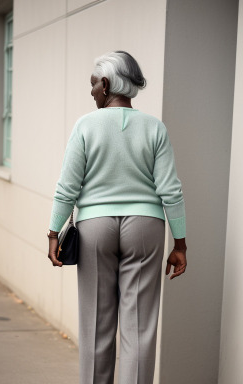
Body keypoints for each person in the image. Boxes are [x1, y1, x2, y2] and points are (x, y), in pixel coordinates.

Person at [47, 50, 187, 384]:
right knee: (139, 327)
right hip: (146, 227)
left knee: (97, 323)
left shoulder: (85, 124)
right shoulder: (155, 127)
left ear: (106, 84)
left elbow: (67, 186)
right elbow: (171, 190)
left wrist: (54, 232)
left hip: (94, 226)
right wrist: (180, 243)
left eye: (94, 84)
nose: (92, 90)